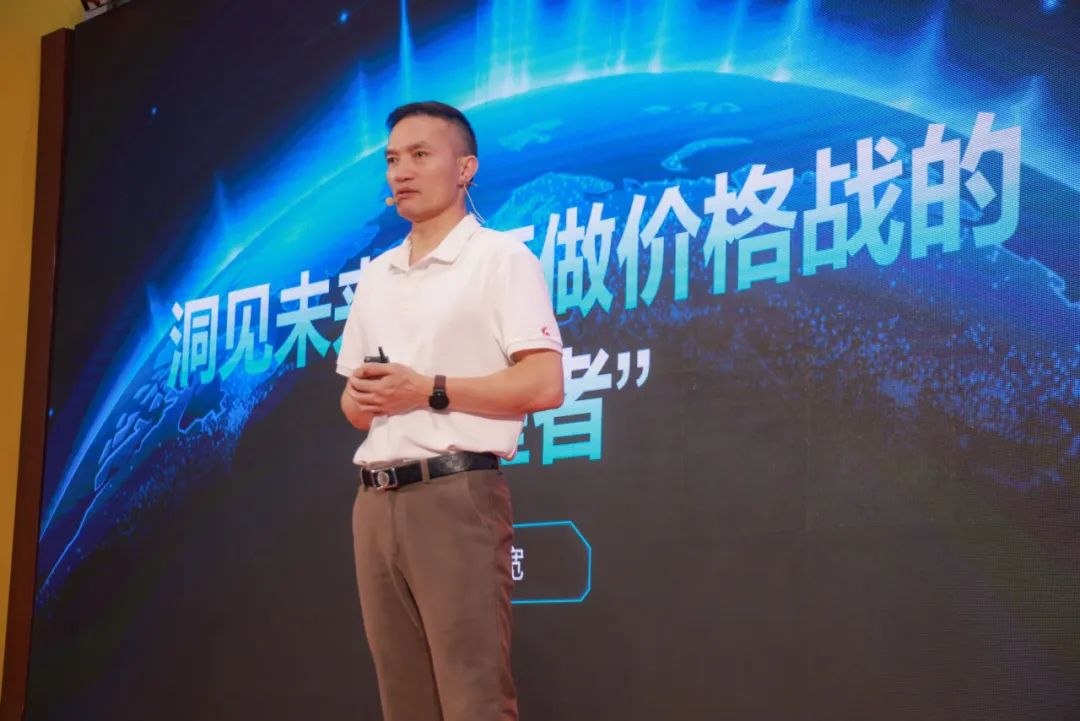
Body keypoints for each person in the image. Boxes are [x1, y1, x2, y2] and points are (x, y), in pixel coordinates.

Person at [336, 100, 564, 721]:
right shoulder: (377, 276)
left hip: (455, 494)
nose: (401, 171)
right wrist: (363, 396)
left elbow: (544, 383)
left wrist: (429, 390)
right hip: (374, 502)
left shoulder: (500, 258)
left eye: (419, 155)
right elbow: (355, 405)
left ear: (465, 168)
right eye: (392, 160)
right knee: (403, 701)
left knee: (472, 698)